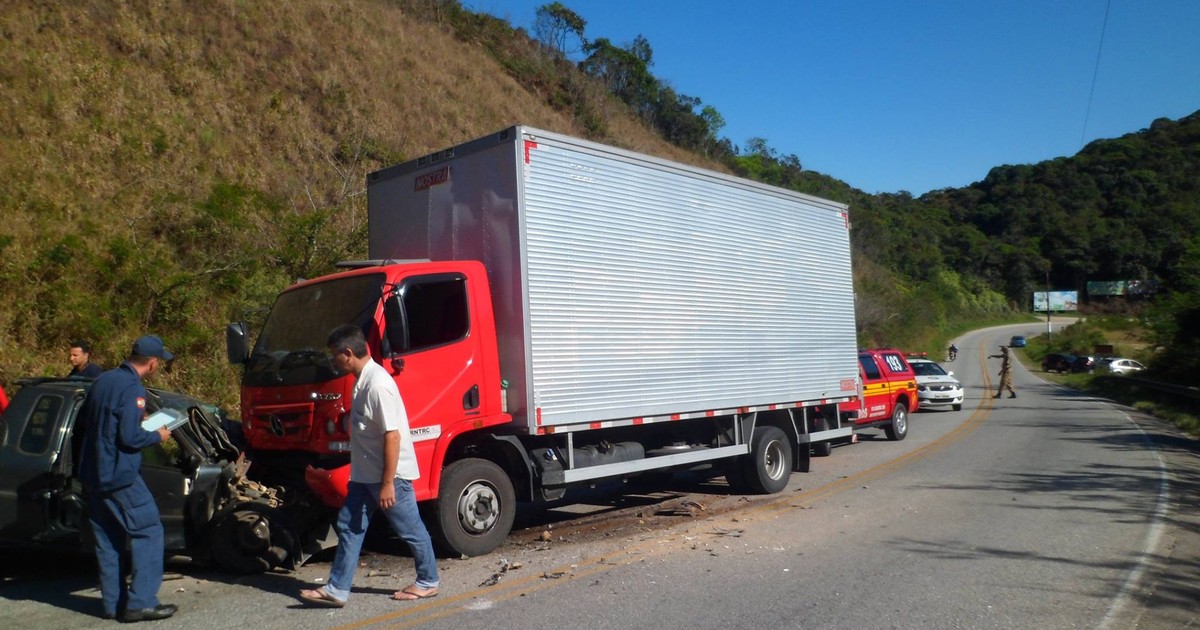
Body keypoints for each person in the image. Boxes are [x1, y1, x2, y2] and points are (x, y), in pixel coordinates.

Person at [299, 325, 440, 608]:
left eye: (334, 355)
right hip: (364, 477)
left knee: (410, 528)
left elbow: (393, 435)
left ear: (348, 353)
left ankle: (428, 581)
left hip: (388, 477)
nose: (333, 361)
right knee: (350, 528)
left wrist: (388, 483)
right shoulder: (361, 381)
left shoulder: (378, 384)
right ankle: (338, 589)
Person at [78, 335, 177, 622]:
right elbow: (129, 437)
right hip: (119, 475)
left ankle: (113, 605)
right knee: (149, 531)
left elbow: (85, 421)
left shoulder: (102, 380)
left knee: (108, 540)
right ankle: (141, 603)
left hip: (93, 474)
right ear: (153, 363)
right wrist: (156, 434)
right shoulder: (134, 388)